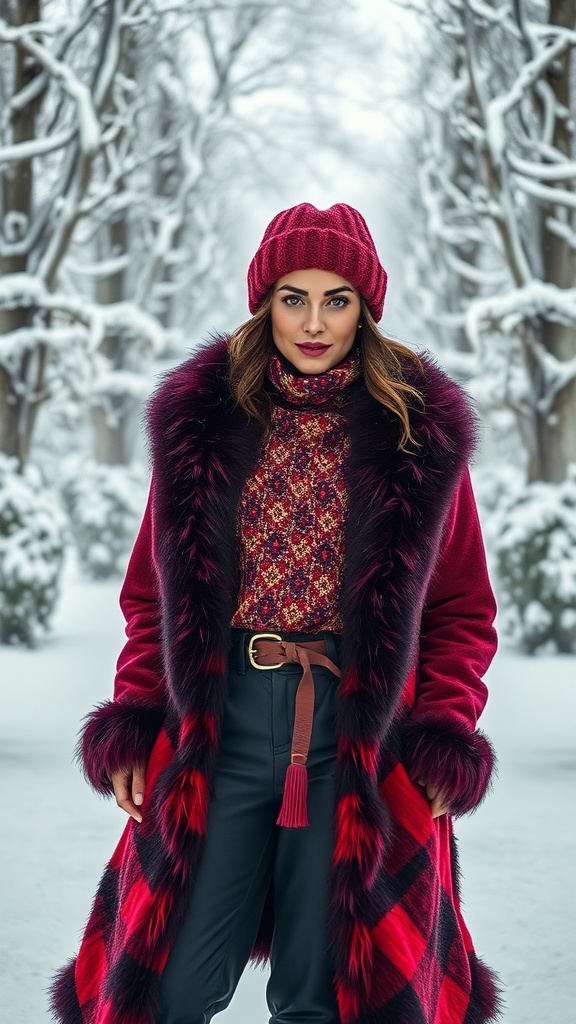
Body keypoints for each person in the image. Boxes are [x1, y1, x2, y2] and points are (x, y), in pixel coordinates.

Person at [51, 203, 501, 1024]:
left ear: (367, 307)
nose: (314, 321)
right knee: (172, 982)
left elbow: (463, 607)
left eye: (337, 299)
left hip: (357, 735)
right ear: (265, 302)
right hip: (218, 725)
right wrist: (136, 712)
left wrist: (444, 727)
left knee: (323, 991)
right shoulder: (203, 424)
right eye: (294, 297)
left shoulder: (418, 433)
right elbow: (153, 597)